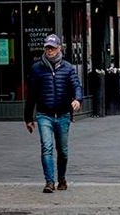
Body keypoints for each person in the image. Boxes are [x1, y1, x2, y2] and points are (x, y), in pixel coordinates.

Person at [24, 34, 82, 194]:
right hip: (44, 114)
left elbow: (76, 85)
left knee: (62, 150)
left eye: (52, 48)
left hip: (63, 114)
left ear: (59, 49)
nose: (49, 50)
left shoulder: (68, 68)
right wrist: (28, 118)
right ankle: (49, 182)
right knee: (47, 147)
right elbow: (31, 95)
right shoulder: (36, 69)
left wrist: (77, 99)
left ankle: (61, 178)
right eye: (47, 47)